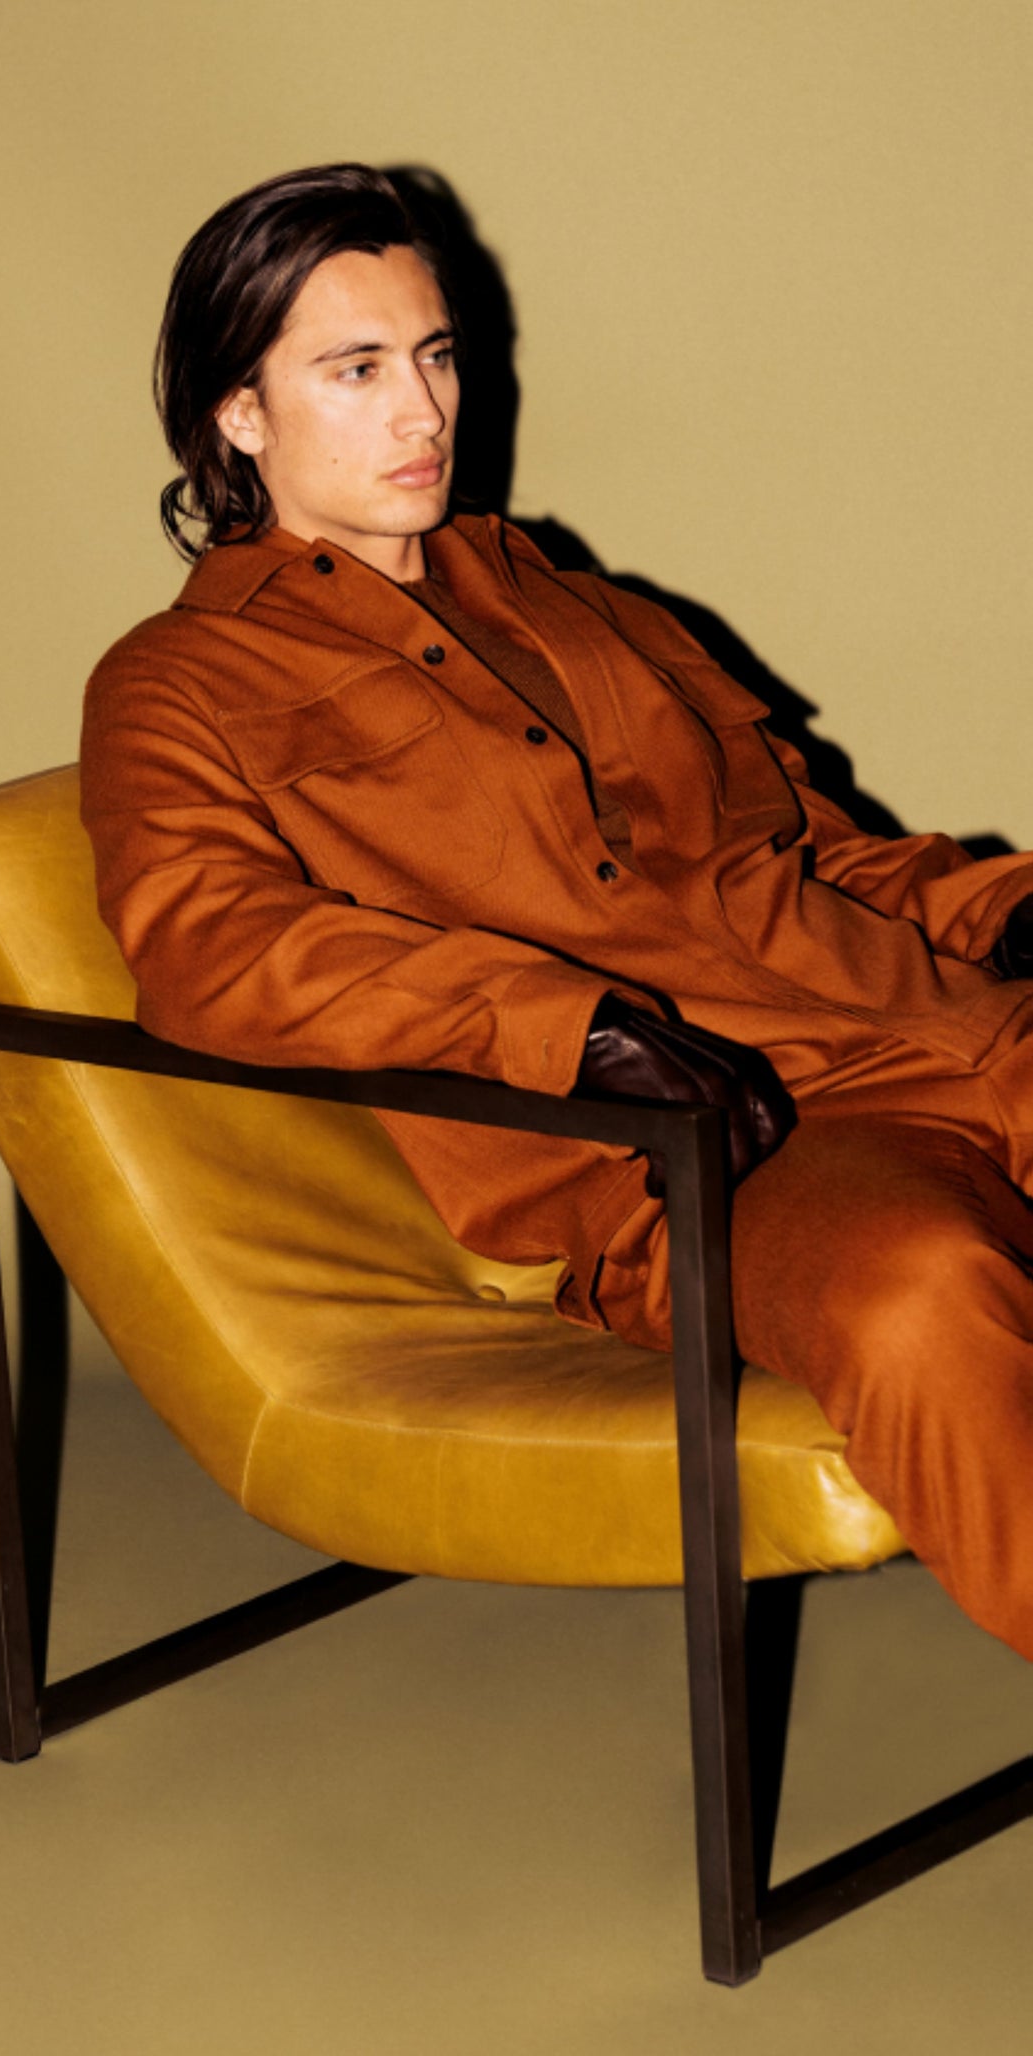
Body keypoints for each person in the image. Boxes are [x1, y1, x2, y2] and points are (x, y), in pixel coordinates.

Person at [80, 162, 1033, 1662]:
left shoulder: (577, 603)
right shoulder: (177, 684)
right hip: (729, 1158)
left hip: (949, 1027)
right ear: (238, 414)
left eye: (436, 355)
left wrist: (1004, 911)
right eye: (356, 370)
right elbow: (212, 947)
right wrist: (564, 1029)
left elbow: (808, 853)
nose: (423, 411)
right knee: (920, 1296)